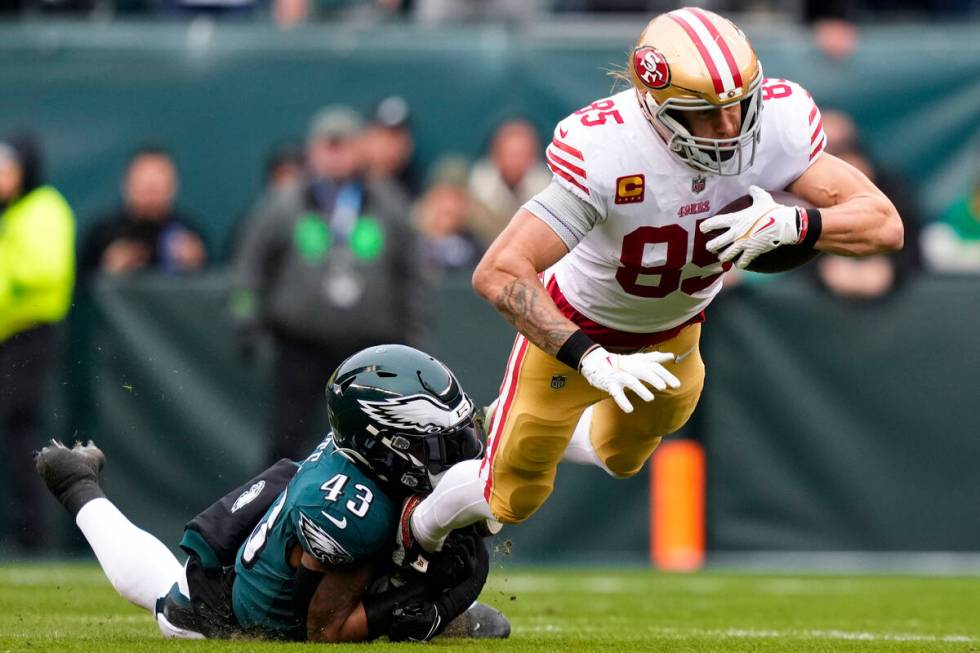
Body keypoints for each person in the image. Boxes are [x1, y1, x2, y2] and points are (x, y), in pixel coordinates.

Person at [396, 7, 903, 559]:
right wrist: (589, 358)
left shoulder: (776, 126)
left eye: (739, 107)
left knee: (624, 455)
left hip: (675, 331)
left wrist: (795, 223)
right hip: (576, 331)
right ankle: (411, 537)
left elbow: (884, 223)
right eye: (705, 115)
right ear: (655, 110)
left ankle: (518, 426)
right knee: (513, 494)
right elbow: (498, 271)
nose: (730, 129)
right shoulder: (608, 151)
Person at [35, 344, 509, 642]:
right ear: (386, 445)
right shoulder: (349, 513)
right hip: (228, 614)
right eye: (436, 442)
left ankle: (75, 478)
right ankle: (75, 484)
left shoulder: (362, 455)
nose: (459, 449)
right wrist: (425, 606)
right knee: (168, 601)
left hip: (278, 534)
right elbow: (322, 629)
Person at [231, 106, 427, 465]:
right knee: (285, 443)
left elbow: (414, 272)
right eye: (328, 146)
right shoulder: (285, 202)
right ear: (313, 151)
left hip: (370, 353)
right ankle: (271, 515)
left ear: (359, 150)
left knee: (378, 445)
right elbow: (251, 264)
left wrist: (413, 334)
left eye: (344, 146)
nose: (336, 155)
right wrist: (246, 322)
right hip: (300, 346)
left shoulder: (388, 202)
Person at [0, 132, 75, 551]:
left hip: (32, 336)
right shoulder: (17, 212)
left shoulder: (43, 208)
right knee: (16, 434)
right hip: (12, 338)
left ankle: (34, 534)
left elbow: (44, 268)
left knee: (20, 432)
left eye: (7, 168)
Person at [80, 146, 208, 277]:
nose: (151, 192)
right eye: (144, 183)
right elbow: (81, 285)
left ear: (173, 186)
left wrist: (195, 266)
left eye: (158, 185)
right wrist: (108, 269)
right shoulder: (102, 234)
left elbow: (212, 286)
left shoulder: (190, 234)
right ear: (126, 184)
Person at [467, 118, 551, 248]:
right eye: (510, 154)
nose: (515, 161)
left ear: (533, 155)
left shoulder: (545, 184)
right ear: (495, 154)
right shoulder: (480, 182)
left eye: (522, 153)